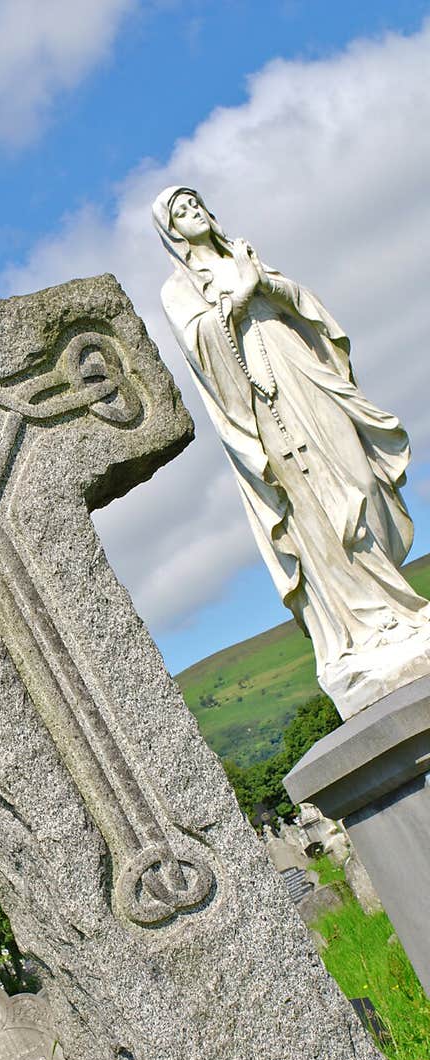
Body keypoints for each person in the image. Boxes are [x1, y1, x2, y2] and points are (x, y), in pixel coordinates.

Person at [153, 186, 430, 717]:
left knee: (361, 481)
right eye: (180, 211)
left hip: (301, 370)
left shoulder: (244, 254)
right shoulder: (179, 290)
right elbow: (201, 348)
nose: (193, 214)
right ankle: (366, 624)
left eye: (196, 204)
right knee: (313, 509)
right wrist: (233, 302)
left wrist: (263, 282)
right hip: (261, 403)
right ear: (171, 230)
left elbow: (303, 304)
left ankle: (397, 605)